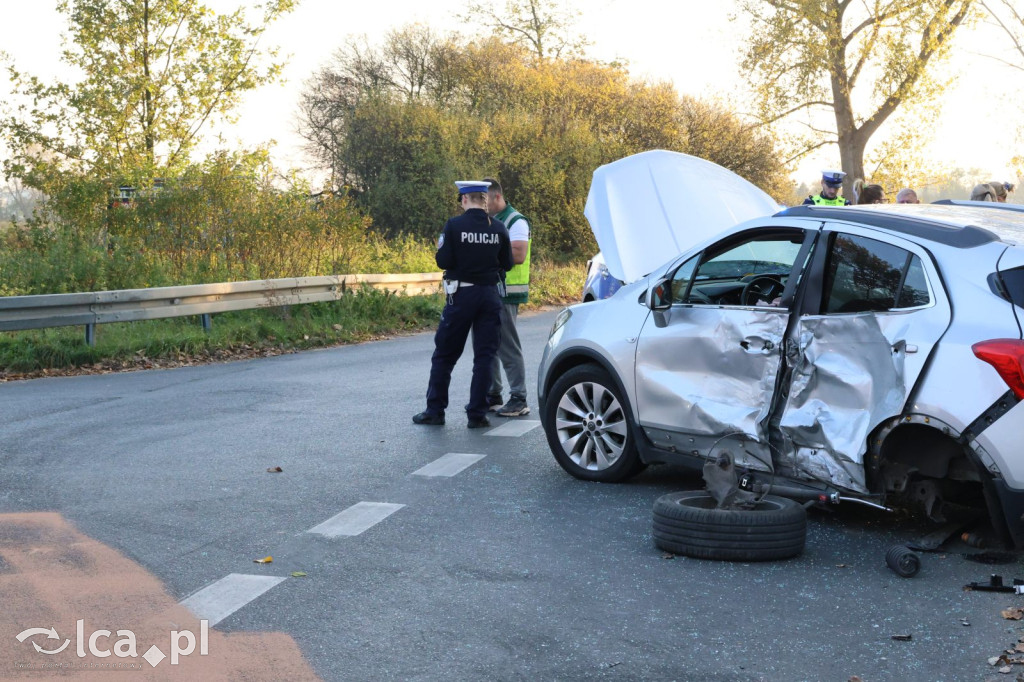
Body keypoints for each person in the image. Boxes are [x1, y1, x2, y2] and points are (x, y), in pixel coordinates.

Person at [413, 181, 513, 429]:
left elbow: (443, 260)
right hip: (490, 296)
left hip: (461, 296)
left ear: (465, 200)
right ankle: (477, 414)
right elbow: (508, 263)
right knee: (485, 356)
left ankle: (435, 411)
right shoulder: (499, 227)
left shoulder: (454, 226)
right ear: (485, 200)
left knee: (445, 355)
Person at [483, 177, 532, 418]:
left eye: (485, 200)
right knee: (486, 345)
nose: (482, 205)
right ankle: (493, 396)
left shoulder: (516, 220)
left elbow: (518, 254)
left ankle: (519, 398)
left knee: (507, 346)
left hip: (506, 293)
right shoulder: (489, 219)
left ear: (497, 197)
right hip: (487, 290)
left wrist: (481, 251)